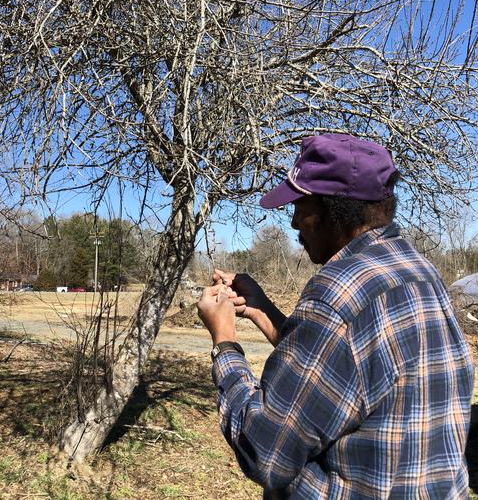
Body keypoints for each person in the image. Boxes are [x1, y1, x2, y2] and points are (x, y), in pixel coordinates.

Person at [197, 133, 474, 499]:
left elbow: (266, 452)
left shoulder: (336, 293)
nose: (295, 221)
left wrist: (224, 341)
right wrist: (262, 310)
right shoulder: (419, 270)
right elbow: (346, 372)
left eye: (301, 205)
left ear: (333, 210)